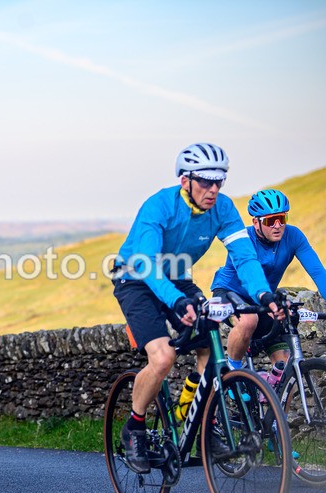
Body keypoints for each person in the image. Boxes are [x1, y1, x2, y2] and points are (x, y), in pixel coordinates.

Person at [111, 143, 283, 473]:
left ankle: (201, 423)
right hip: (136, 279)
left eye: (219, 181)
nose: (213, 189)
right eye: (205, 181)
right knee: (163, 357)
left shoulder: (223, 209)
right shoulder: (159, 206)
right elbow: (146, 263)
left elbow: (244, 257)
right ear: (185, 180)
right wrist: (176, 300)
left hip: (178, 278)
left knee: (210, 346)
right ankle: (134, 428)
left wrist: (263, 295)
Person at [212, 189, 326, 371]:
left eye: (282, 218)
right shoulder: (244, 239)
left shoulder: (293, 236)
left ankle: (275, 393)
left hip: (265, 297)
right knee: (248, 320)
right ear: (256, 222)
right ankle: (232, 372)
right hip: (229, 293)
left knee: (286, 366)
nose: (278, 225)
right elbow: (250, 277)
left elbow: (318, 272)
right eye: (271, 220)